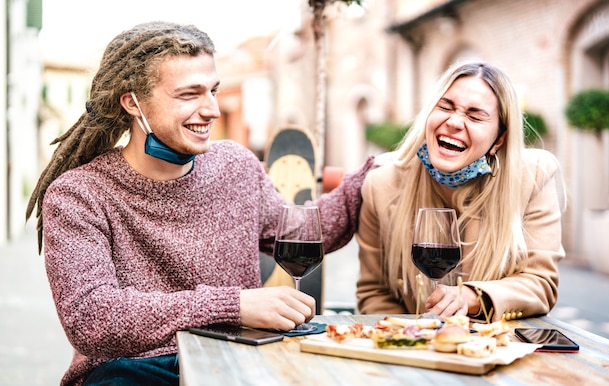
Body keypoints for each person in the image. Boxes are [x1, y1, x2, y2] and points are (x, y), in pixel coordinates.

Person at [25, 21, 374, 386]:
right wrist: (234, 305)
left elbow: (302, 235)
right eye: (190, 94)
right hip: (132, 373)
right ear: (132, 102)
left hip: (234, 361)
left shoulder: (235, 166)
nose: (212, 110)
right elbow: (92, 319)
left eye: (213, 90)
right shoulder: (78, 194)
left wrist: (374, 174)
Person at [356, 62, 566, 323]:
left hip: (494, 350)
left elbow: (541, 284)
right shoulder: (381, 184)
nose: (454, 122)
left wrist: (472, 297)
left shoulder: (533, 176)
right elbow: (374, 293)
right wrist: (410, 340)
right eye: (445, 107)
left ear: (499, 139)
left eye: (475, 116)